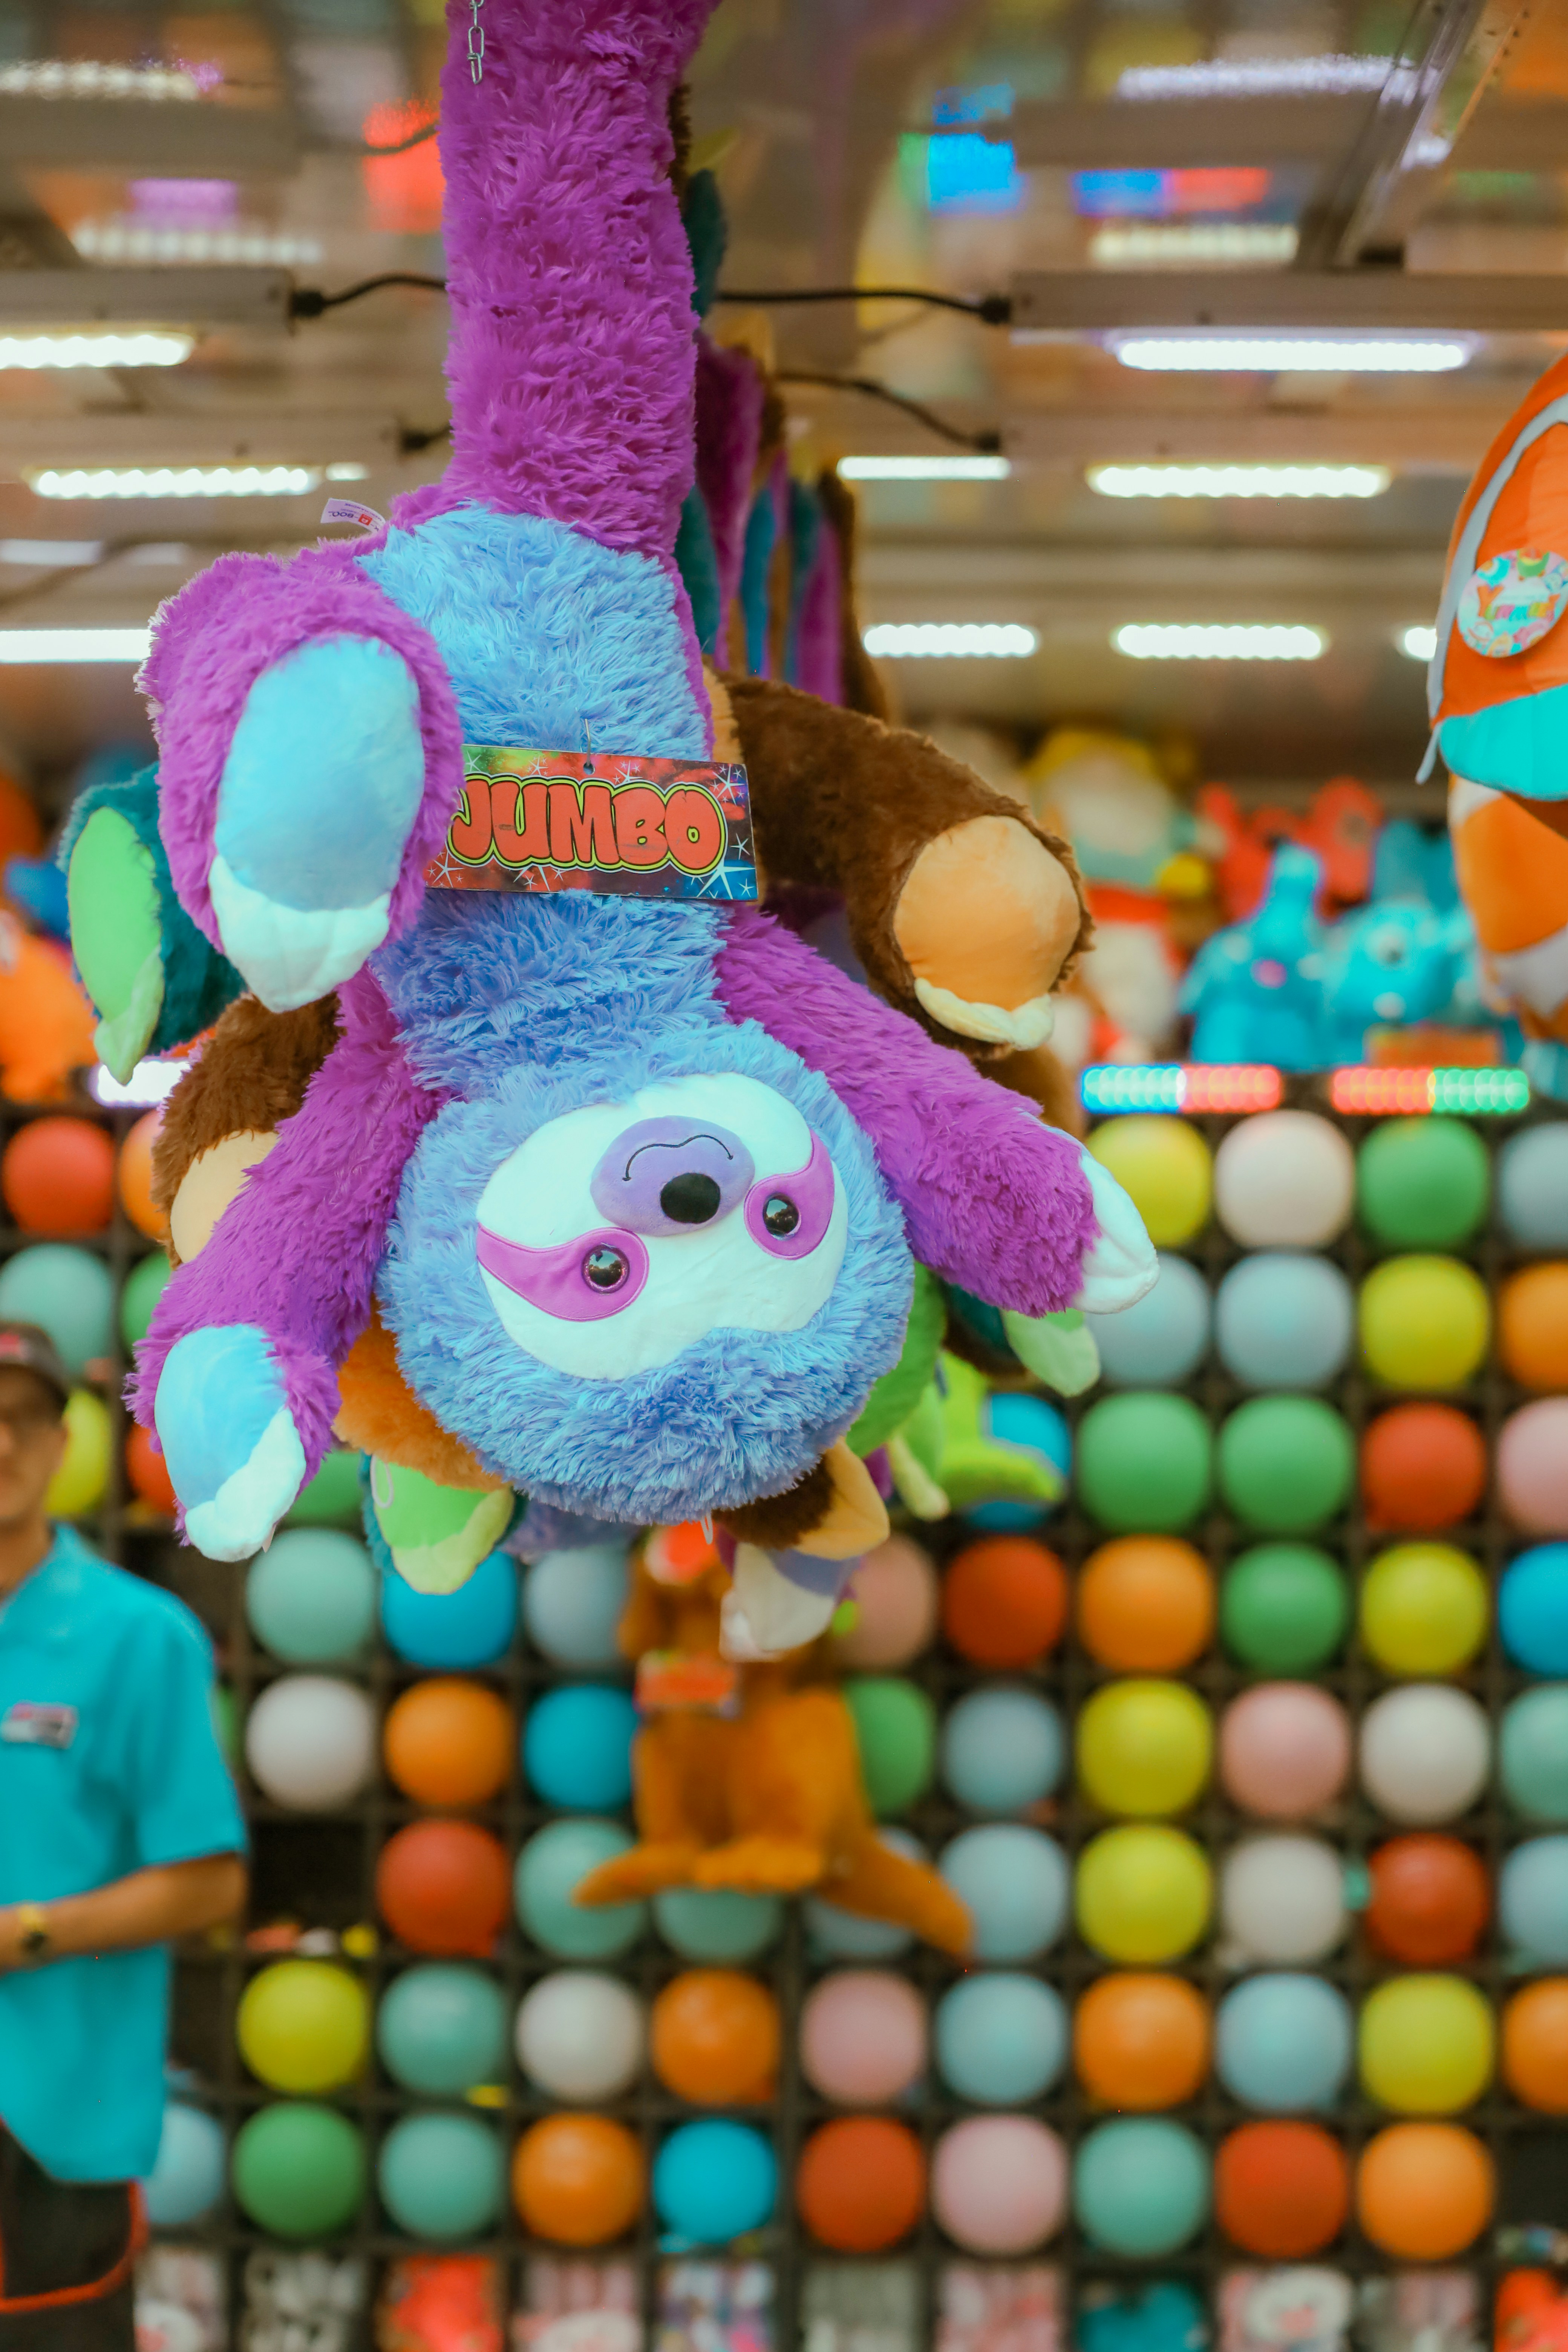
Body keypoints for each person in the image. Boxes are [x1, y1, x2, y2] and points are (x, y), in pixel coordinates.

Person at [0, 1322, 246, 2347]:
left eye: (21, 1421)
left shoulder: (140, 1636)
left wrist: (30, 1932)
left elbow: (210, 1883)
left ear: (62, 1446)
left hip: (50, 2136)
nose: (0, 1445)